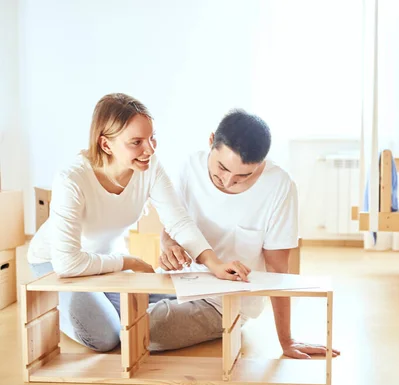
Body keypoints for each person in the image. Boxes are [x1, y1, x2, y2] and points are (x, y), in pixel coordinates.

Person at [27, 93, 250, 352]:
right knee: (106, 339)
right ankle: (54, 307)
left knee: (154, 310)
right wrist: (129, 262)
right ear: (106, 145)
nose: (150, 149)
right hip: (58, 267)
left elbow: (178, 220)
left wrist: (215, 263)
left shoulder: (150, 166)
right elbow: (68, 263)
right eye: (136, 142)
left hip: (106, 263)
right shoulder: (71, 180)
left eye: (152, 137)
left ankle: (105, 305)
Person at [158, 109, 340, 359]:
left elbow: (278, 270)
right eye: (222, 168)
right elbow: (172, 226)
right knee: (121, 309)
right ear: (211, 141)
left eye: (244, 175)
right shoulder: (190, 166)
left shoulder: (278, 186)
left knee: (141, 331)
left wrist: (286, 341)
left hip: (225, 303)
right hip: (177, 281)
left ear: (261, 163)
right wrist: (168, 246)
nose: (228, 181)